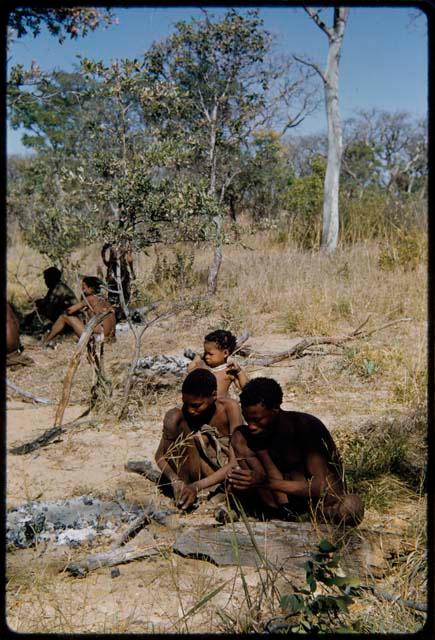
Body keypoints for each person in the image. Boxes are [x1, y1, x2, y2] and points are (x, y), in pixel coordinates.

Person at [228, 377, 364, 526]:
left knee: (351, 506)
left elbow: (321, 487)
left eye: (257, 420)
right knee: (239, 435)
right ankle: (278, 515)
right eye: (247, 420)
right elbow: (268, 467)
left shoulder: (306, 428)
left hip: (321, 505)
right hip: (282, 503)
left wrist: (265, 482)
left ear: (275, 410)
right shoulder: (254, 435)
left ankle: (302, 518)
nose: (251, 426)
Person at [155, 368, 242, 510]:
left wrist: (197, 487)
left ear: (214, 395)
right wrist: (175, 480)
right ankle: (184, 493)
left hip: (225, 474)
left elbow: (234, 462)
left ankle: (218, 494)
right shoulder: (182, 415)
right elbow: (160, 456)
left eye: (196, 406)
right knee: (172, 417)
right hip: (195, 472)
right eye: (186, 403)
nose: (190, 410)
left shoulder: (229, 408)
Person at [41, 276, 115, 346]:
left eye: (84, 288)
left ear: (91, 288)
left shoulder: (90, 299)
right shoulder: (105, 300)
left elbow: (69, 311)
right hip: (109, 338)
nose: (83, 291)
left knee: (64, 317)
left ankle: (46, 341)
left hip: (98, 337)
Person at [187, 329, 248, 397]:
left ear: (225, 353)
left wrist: (239, 372)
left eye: (210, 354)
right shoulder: (203, 364)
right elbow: (190, 370)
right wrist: (197, 358)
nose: (207, 356)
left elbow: (246, 389)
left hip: (217, 405)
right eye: (205, 352)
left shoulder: (229, 370)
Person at [101, 243, 135, 321]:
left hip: (112, 272)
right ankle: (120, 315)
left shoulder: (111, 241)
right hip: (121, 271)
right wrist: (132, 271)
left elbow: (103, 251)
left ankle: (117, 315)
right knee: (124, 293)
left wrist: (107, 263)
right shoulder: (125, 242)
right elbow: (130, 259)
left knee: (114, 295)